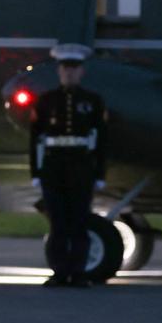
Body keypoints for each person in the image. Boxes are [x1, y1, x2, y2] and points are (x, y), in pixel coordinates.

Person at [30, 43, 107, 288]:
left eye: (74, 69)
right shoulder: (46, 101)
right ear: (59, 72)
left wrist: (99, 172)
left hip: (81, 165)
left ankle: (78, 272)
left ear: (81, 72)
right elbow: (35, 138)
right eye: (65, 69)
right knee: (58, 222)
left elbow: (102, 139)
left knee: (79, 221)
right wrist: (36, 171)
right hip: (54, 166)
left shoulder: (92, 101)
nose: (69, 73)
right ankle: (59, 271)